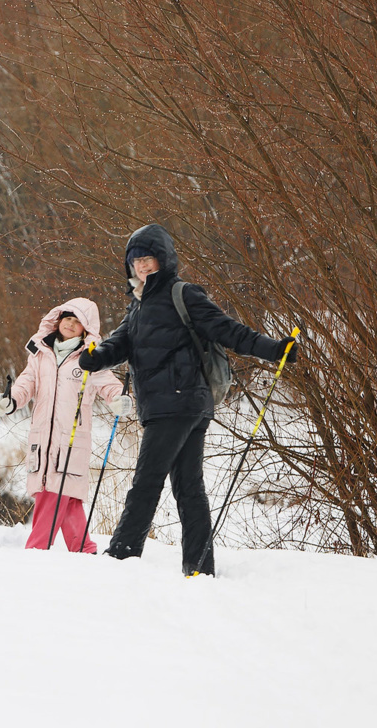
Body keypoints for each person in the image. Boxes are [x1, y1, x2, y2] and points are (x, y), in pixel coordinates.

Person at [79, 224, 297, 575]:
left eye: (149, 259)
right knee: (188, 487)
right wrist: (95, 357)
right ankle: (198, 567)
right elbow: (118, 344)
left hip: (177, 402)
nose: (143, 266)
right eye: (136, 261)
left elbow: (228, 330)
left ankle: (121, 556)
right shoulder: (137, 306)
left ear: (163, 260)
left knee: (147, 480)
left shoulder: (182, 294)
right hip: (176, 405)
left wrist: (274, 349)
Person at [0, 298, 132, 552]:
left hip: (71, 440)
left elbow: (108, 384)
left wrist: (119, 399)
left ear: (85, 330)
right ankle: (84, 550)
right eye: (67, 318)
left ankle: (36, 550)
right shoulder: (41, 354)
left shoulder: (90, 358)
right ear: (58, 321)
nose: (70, 324)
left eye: (77, 322)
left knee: (52, 496)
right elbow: (26, 383)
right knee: (66, 500)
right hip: (42, 438)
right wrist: (10, 401)